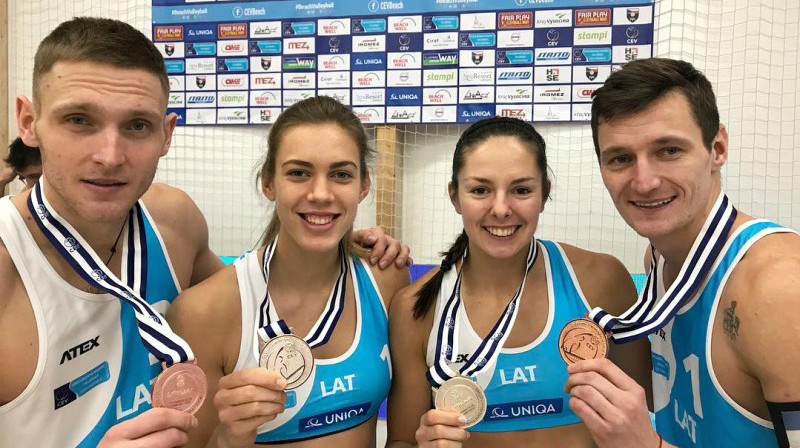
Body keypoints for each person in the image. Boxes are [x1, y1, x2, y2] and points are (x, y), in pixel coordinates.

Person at [0, 18, 408, 448]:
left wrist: (338, 240)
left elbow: (248, 294)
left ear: (166, 134)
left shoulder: (173, 221)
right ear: (28, 121)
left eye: (137, 125)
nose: (110, 156)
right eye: (79, 119)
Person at [564, 58, 800, 448]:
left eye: (669, 150)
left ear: (717, 148)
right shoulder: (658, 260)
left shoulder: (776, 290)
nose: (644, 182)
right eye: (621, 158)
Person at [386, 117, 652, 448]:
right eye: (480, 190)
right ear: (454, 196)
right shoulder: (415, 308)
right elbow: (402, 441)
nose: (501, 209)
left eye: (521, 190)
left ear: (545, 193)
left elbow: (648, 416)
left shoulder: (601, 281)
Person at [167, 96, 410, 448]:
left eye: (341, 174)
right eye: (299, 173)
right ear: (269, 183)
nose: (320, 194)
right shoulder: (202, 312)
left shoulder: (386, 278)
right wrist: (229, 437)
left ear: (363, 186)